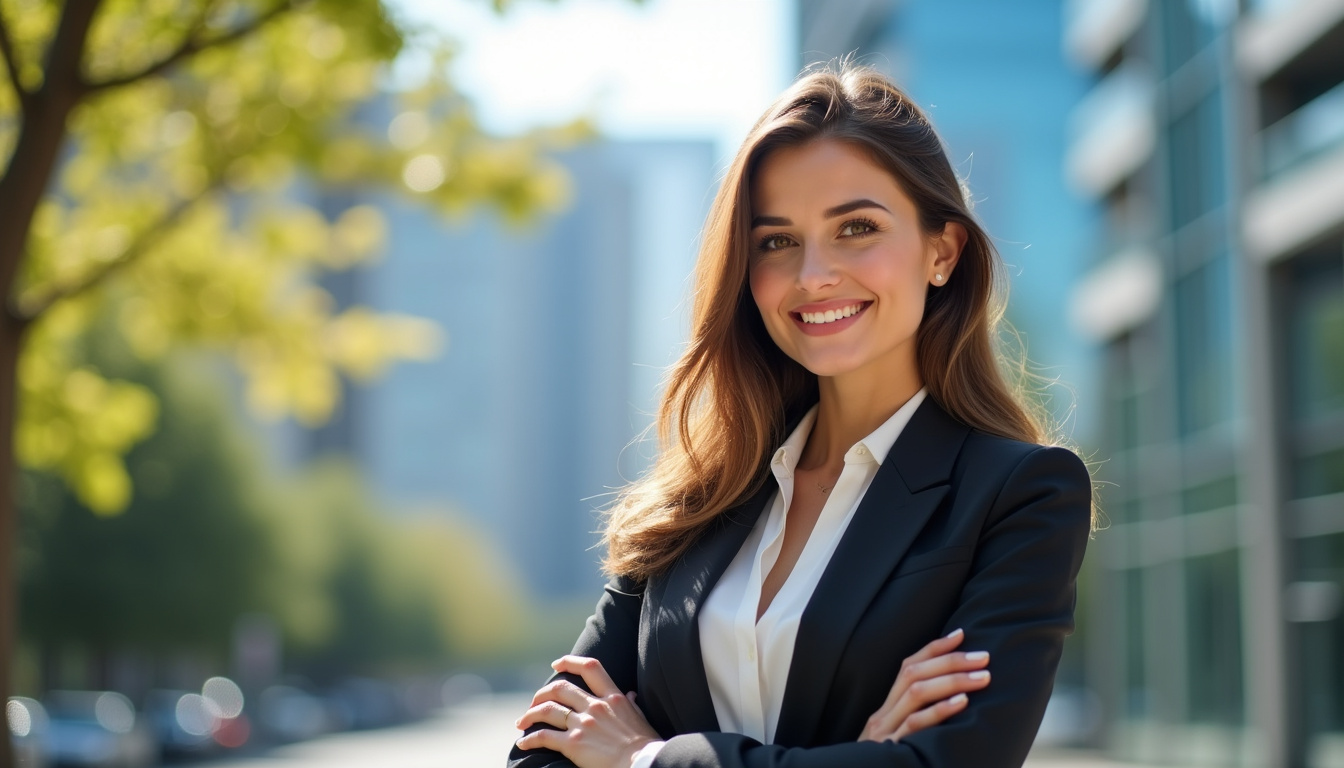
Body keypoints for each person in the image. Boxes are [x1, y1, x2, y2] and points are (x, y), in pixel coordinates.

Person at [507, 62, 1095, 768]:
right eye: (777, 241)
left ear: (941, 251)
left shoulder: (1020, 495)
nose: (812, 274)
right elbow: (542, 752)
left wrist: (644, 759)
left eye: (856, 227)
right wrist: (853, 755)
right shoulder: (697, 498)